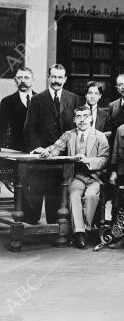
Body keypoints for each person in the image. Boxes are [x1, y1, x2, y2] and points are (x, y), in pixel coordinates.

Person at [32, 106, 109, 249]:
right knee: (74, 195)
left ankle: (85, 229)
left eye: (85, 116)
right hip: (76, 177)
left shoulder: (100, 136)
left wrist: (87, 160)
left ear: (91, 118)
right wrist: (46, 151)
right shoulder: (69, 134)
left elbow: (104, 159)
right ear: (74, 120)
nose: (82, 120)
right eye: (78, 117)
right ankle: (79, 233)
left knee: (91, 196)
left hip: (95, 178)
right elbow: (56, 148)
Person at [24, 64, 83, 224]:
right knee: (37, 189)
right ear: (48, 77)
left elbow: (77, 128)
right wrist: (38, 148)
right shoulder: (37, 100)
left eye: (60, 77)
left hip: (64, 157)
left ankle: (55, 226)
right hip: (42, 157)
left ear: (65, 79)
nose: (56, 81)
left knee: (58, 192)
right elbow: (30, 128)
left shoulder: (74, 99)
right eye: (54, 77)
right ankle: (31, 226)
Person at [0, 66, 35, 152]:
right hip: (15, 150)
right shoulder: (7, 102)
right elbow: (2, 127)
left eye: (26, 77)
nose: (23, 81)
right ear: (15, 80)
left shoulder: (41, 100)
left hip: (37, 150)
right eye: (19, 78)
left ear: (33, 80)